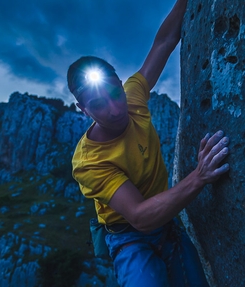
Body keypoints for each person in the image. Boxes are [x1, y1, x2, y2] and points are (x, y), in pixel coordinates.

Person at [67, 0, 230, 286]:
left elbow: (164, 42)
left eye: (115, 94)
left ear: (120, 83)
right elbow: (140, 217)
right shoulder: (89, 162)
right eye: (98, 104)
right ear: (83, 109)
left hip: (167, 223)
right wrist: (199, 177)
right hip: (129, 237)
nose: (115, 109)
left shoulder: (133, 96)